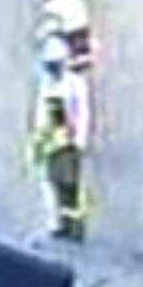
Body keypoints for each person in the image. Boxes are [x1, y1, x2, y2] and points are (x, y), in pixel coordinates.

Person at [32, 36, 91, 241]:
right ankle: (61, 223)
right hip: (52, 140)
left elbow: (82, 112)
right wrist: (38, 139)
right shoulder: (46, 84)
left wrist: (79, 140)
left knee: (71, 183)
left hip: (69, 140)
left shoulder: (75, 84)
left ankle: (77, 224)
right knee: (54, 181)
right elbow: (41, 113)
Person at [33, 0, 95, 72]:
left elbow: (50, 27)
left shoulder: (53, 6)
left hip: (69, 54)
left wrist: (39, 36)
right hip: (82, 50)